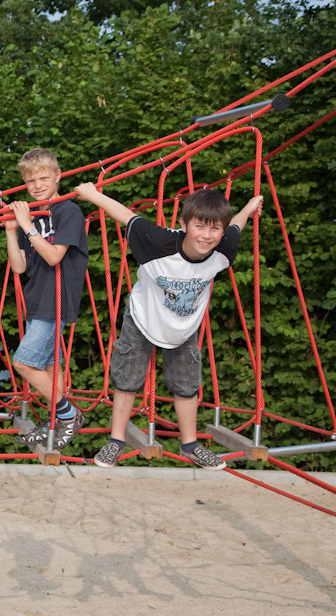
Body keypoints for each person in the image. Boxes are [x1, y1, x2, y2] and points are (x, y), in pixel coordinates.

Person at [75, 182, 264, 469]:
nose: (207, 236)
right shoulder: (158, 242)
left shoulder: (225, 247)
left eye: (215, 229)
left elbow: (236, 225)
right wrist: (92, 195)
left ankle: (190, 446)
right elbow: (127, 216)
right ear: (184, 224)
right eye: (199, 226)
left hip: (184, 326)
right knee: (128, 379)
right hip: (144, 318)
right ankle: (115, 441)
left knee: (187, 385)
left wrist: (248, 209)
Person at [2, 148, 89, 450]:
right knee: (52, 368)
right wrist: (13, 232)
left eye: (43, 178)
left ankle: (68, 415)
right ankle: (55, 422)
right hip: (38, 298)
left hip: (57, 300)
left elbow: (54, 257)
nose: (37, 186)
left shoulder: (68, 212)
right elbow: (19, 267)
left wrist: (26, 224)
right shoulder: (34, 216)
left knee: (24, 363)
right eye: (30, 182)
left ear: (58, 177)